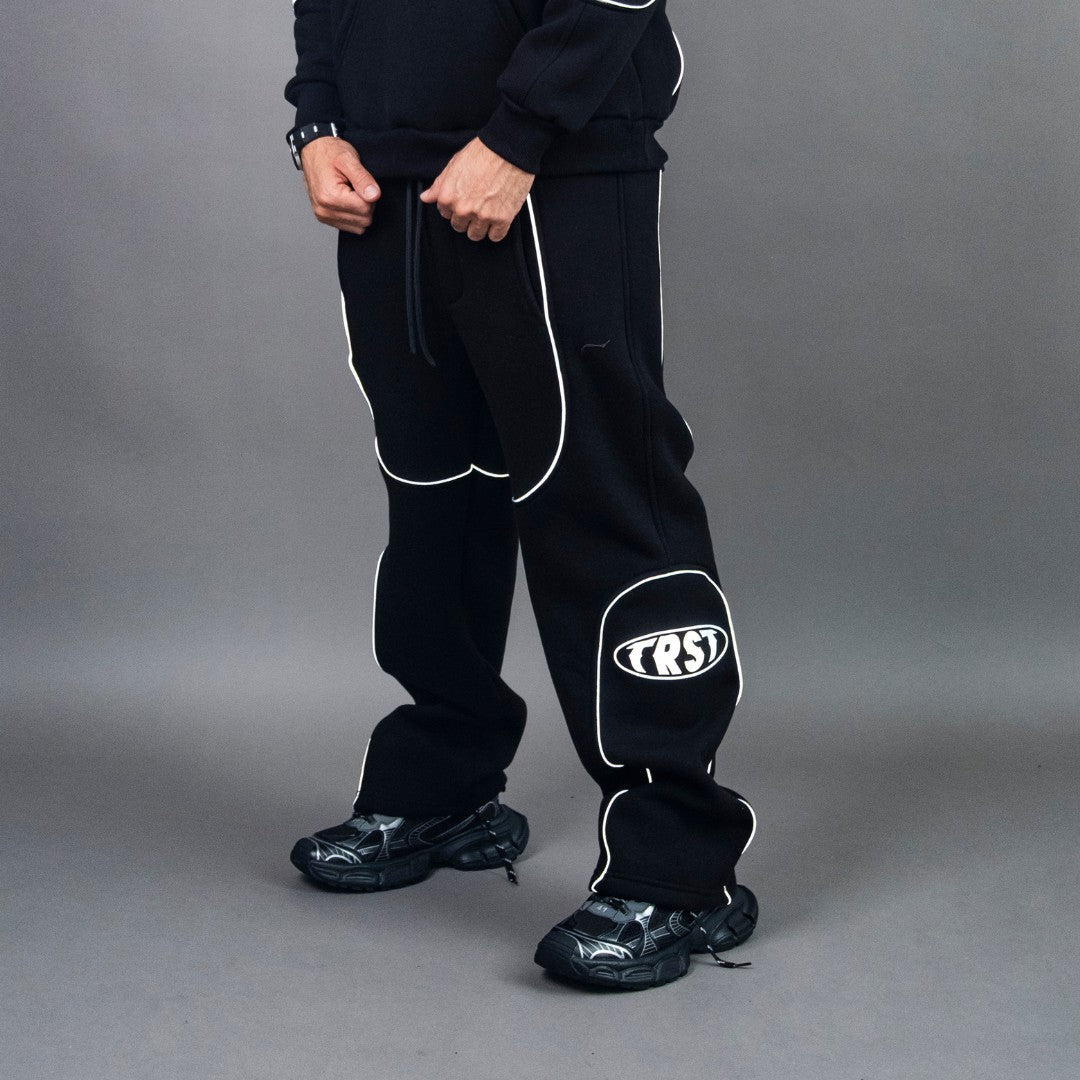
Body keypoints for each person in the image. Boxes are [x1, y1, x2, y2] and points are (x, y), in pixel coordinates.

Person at [283, 0, 759, 990]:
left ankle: (678, 866)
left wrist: (520, 132)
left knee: (604, 494)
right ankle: (444, 783)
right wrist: (317, 120)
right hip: (388, 178)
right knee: (433, 495)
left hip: (552, 171)